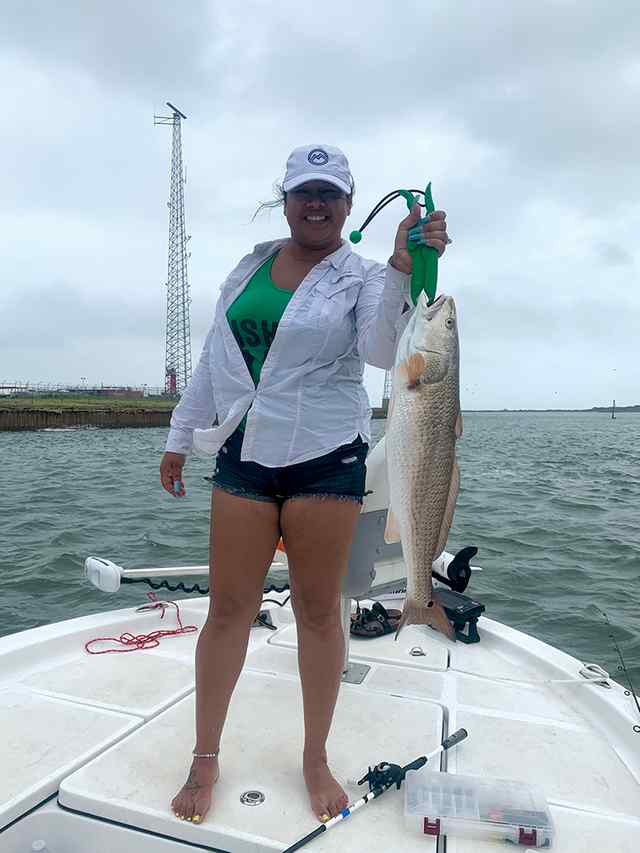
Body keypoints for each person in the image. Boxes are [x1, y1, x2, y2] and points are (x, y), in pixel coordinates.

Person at [159, 144, 450, 825]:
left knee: (319, 612)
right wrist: (180, 436)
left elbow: (385, 350)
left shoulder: (363, 274)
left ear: (349, 206)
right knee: (228, 609)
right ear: (284, 199)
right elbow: (214, 358)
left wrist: (408, 264)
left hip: (325, 459)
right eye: (303, 192)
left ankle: (314, 754)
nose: (315, 204)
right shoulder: (250, 265)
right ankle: (206, 755)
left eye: (329, 194)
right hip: (243, 456)